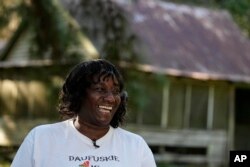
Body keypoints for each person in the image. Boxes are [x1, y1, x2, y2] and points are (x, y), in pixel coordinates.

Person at [11, 59, 157, 167]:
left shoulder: (135, 146)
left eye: (115, 91)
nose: (111, 98)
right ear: (78, 94)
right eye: (100, 89)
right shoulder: (41, 139)